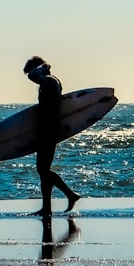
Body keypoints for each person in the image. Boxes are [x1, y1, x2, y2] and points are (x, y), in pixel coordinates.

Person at [23, 56, 80, 216]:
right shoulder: (48, 82)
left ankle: (70, 194)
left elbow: (32, 75)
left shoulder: (50, 81)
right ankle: (46, 207)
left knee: (43, 170)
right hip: (45, 129)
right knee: (43, 170)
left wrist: (43, 66)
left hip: (49, 129)